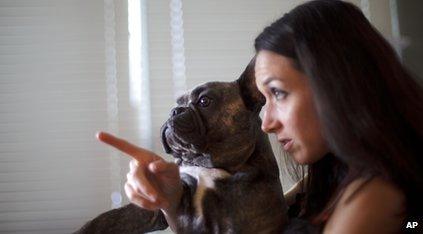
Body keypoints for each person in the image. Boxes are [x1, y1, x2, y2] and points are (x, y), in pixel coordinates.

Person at [97, 0, 423, 233]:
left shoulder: (373, 198)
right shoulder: (331, 180)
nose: (266, 122)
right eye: (264, 98)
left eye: (278, 93)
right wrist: (171, 201)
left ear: (337, 82)